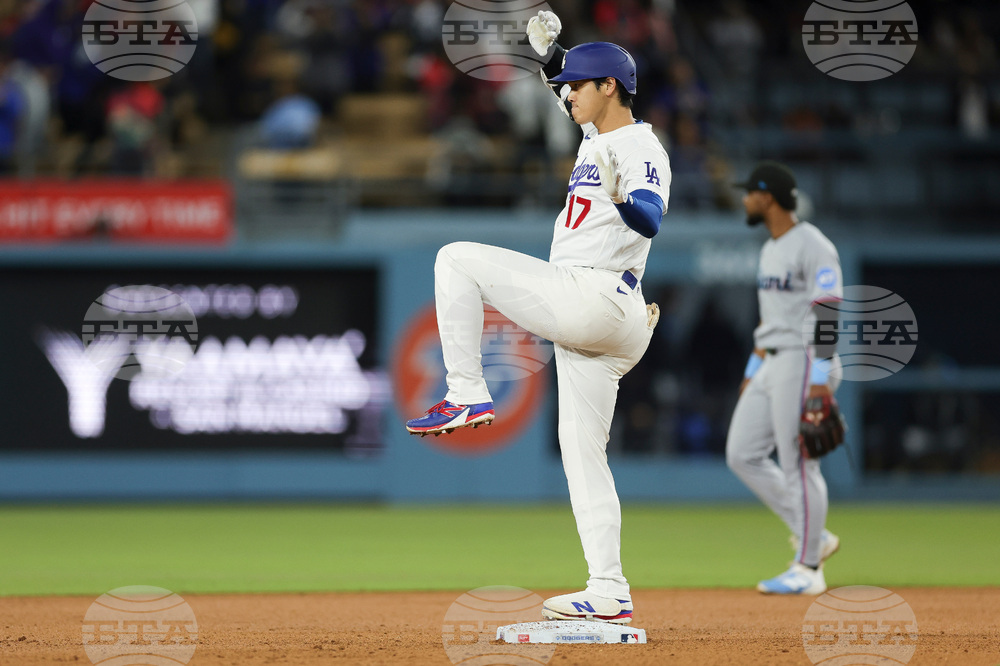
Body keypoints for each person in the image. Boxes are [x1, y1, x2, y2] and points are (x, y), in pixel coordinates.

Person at [405, 11, 670, 625]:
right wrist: (552, 53)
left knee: (456, 259)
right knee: (583, 455)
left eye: (579, 85)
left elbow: (652, 216)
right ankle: (609, 588)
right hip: (608, 319)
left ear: (610, 88)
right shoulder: (594, 132)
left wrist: (619, 194)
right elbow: (563, 84)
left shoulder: (636, 143)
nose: (567, 93)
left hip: (596, 296)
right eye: (567, 85)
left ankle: (466, 392)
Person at [726, 162, 843, 595]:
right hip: (772, 360)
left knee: (798, 462)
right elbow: (769, 320)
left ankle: (809, 567)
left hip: (803, 358)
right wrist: (752, 371)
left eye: (749, 193)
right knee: (742, 453)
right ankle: (815, 533)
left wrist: (818, 378)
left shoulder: (814, 246)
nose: (743, 199)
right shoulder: (770, 247)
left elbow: (828, 312)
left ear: (767, 197)